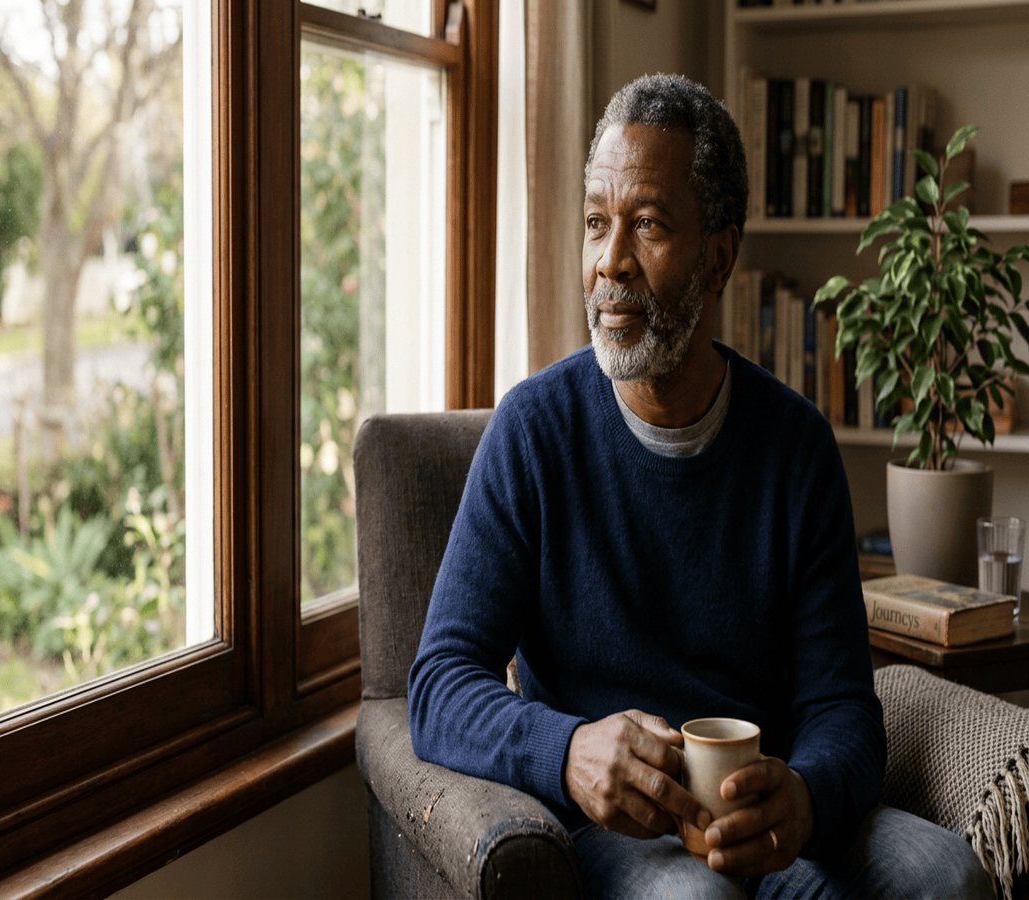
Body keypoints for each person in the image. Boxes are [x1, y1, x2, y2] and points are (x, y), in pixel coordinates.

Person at [407, 73, 994, 899]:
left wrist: (806, 796)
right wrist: (568, 749)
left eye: (646, 225)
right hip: (619, 836)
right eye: (595, 224)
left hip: (775, 827)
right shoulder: (534, 433)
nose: (610, 262)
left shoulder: (796, 447)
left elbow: (844, 709)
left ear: (719, 255)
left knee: (948, 878)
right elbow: (438, 684)